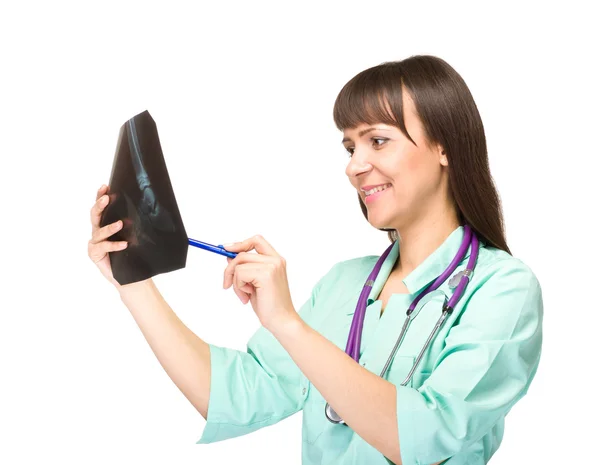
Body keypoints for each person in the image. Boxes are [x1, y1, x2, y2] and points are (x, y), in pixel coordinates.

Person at [87, 55, 543, 465]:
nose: (354, 165)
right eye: (349, 147)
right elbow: (231, 396)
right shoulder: (346, 285)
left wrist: (287, 323)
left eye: (377, 141)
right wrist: (132, 280)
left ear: (444, 146)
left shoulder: (502, 289)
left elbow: (422, 436)